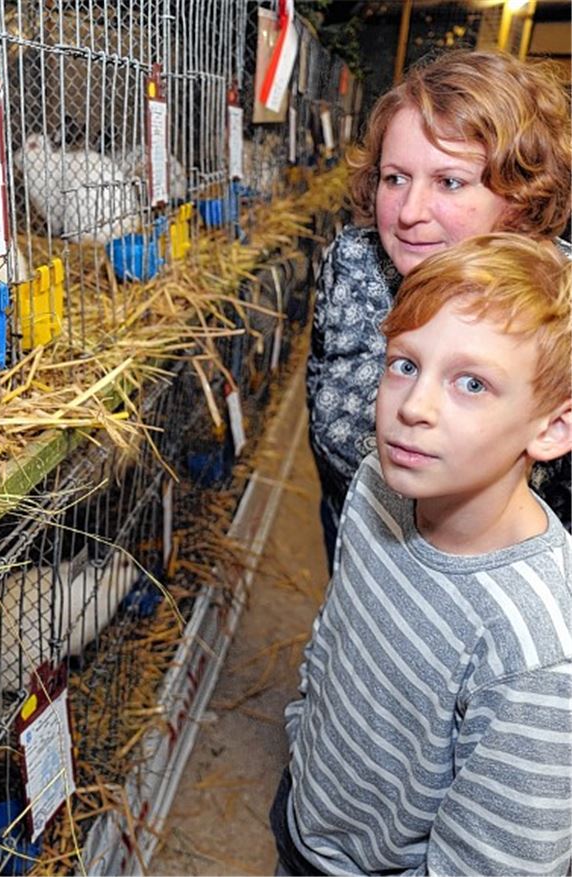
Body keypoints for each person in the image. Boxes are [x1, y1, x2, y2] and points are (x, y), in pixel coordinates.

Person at [272, 233, 572, 876]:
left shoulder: (536, 647)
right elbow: (337, 635)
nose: (413, 408)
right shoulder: (377, 487)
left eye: (471, 383)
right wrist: (303, 747)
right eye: (404, 364)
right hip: (303, 821)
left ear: (552, 429)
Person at [306, 49, 572, 569]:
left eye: (449, 182)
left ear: (519, 195)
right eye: (395, 178)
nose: (409, 213)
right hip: (358, 547)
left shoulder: (559, 305)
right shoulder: (355, 262)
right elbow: (320, 398)